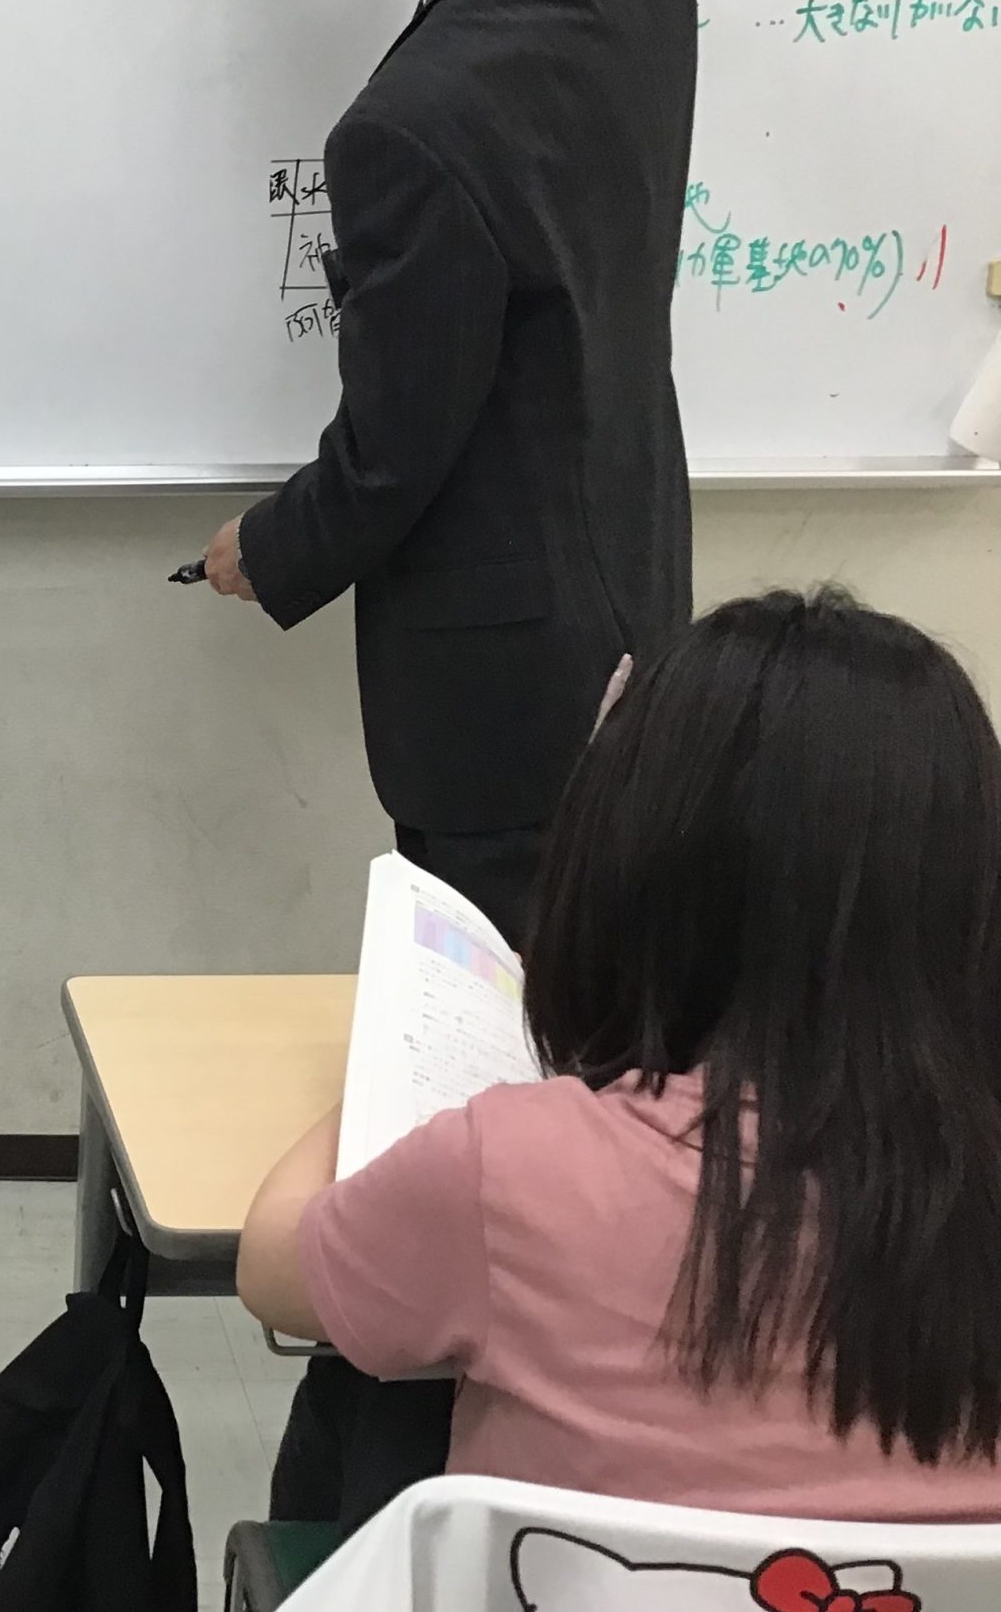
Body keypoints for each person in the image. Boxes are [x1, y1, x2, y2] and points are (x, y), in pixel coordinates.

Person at [238, 590, 1001, 1520]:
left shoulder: (514, 1168)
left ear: (629, 866)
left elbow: (272, 1266)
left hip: (548, 1609)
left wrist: (385, 1039)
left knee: (372, 1390)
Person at [197, 0, 697, 951]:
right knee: (607, 987)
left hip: (505, 703)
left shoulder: (407, 130)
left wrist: (264, 549)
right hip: (638, 598)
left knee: (502, 1016)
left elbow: (394, 452)